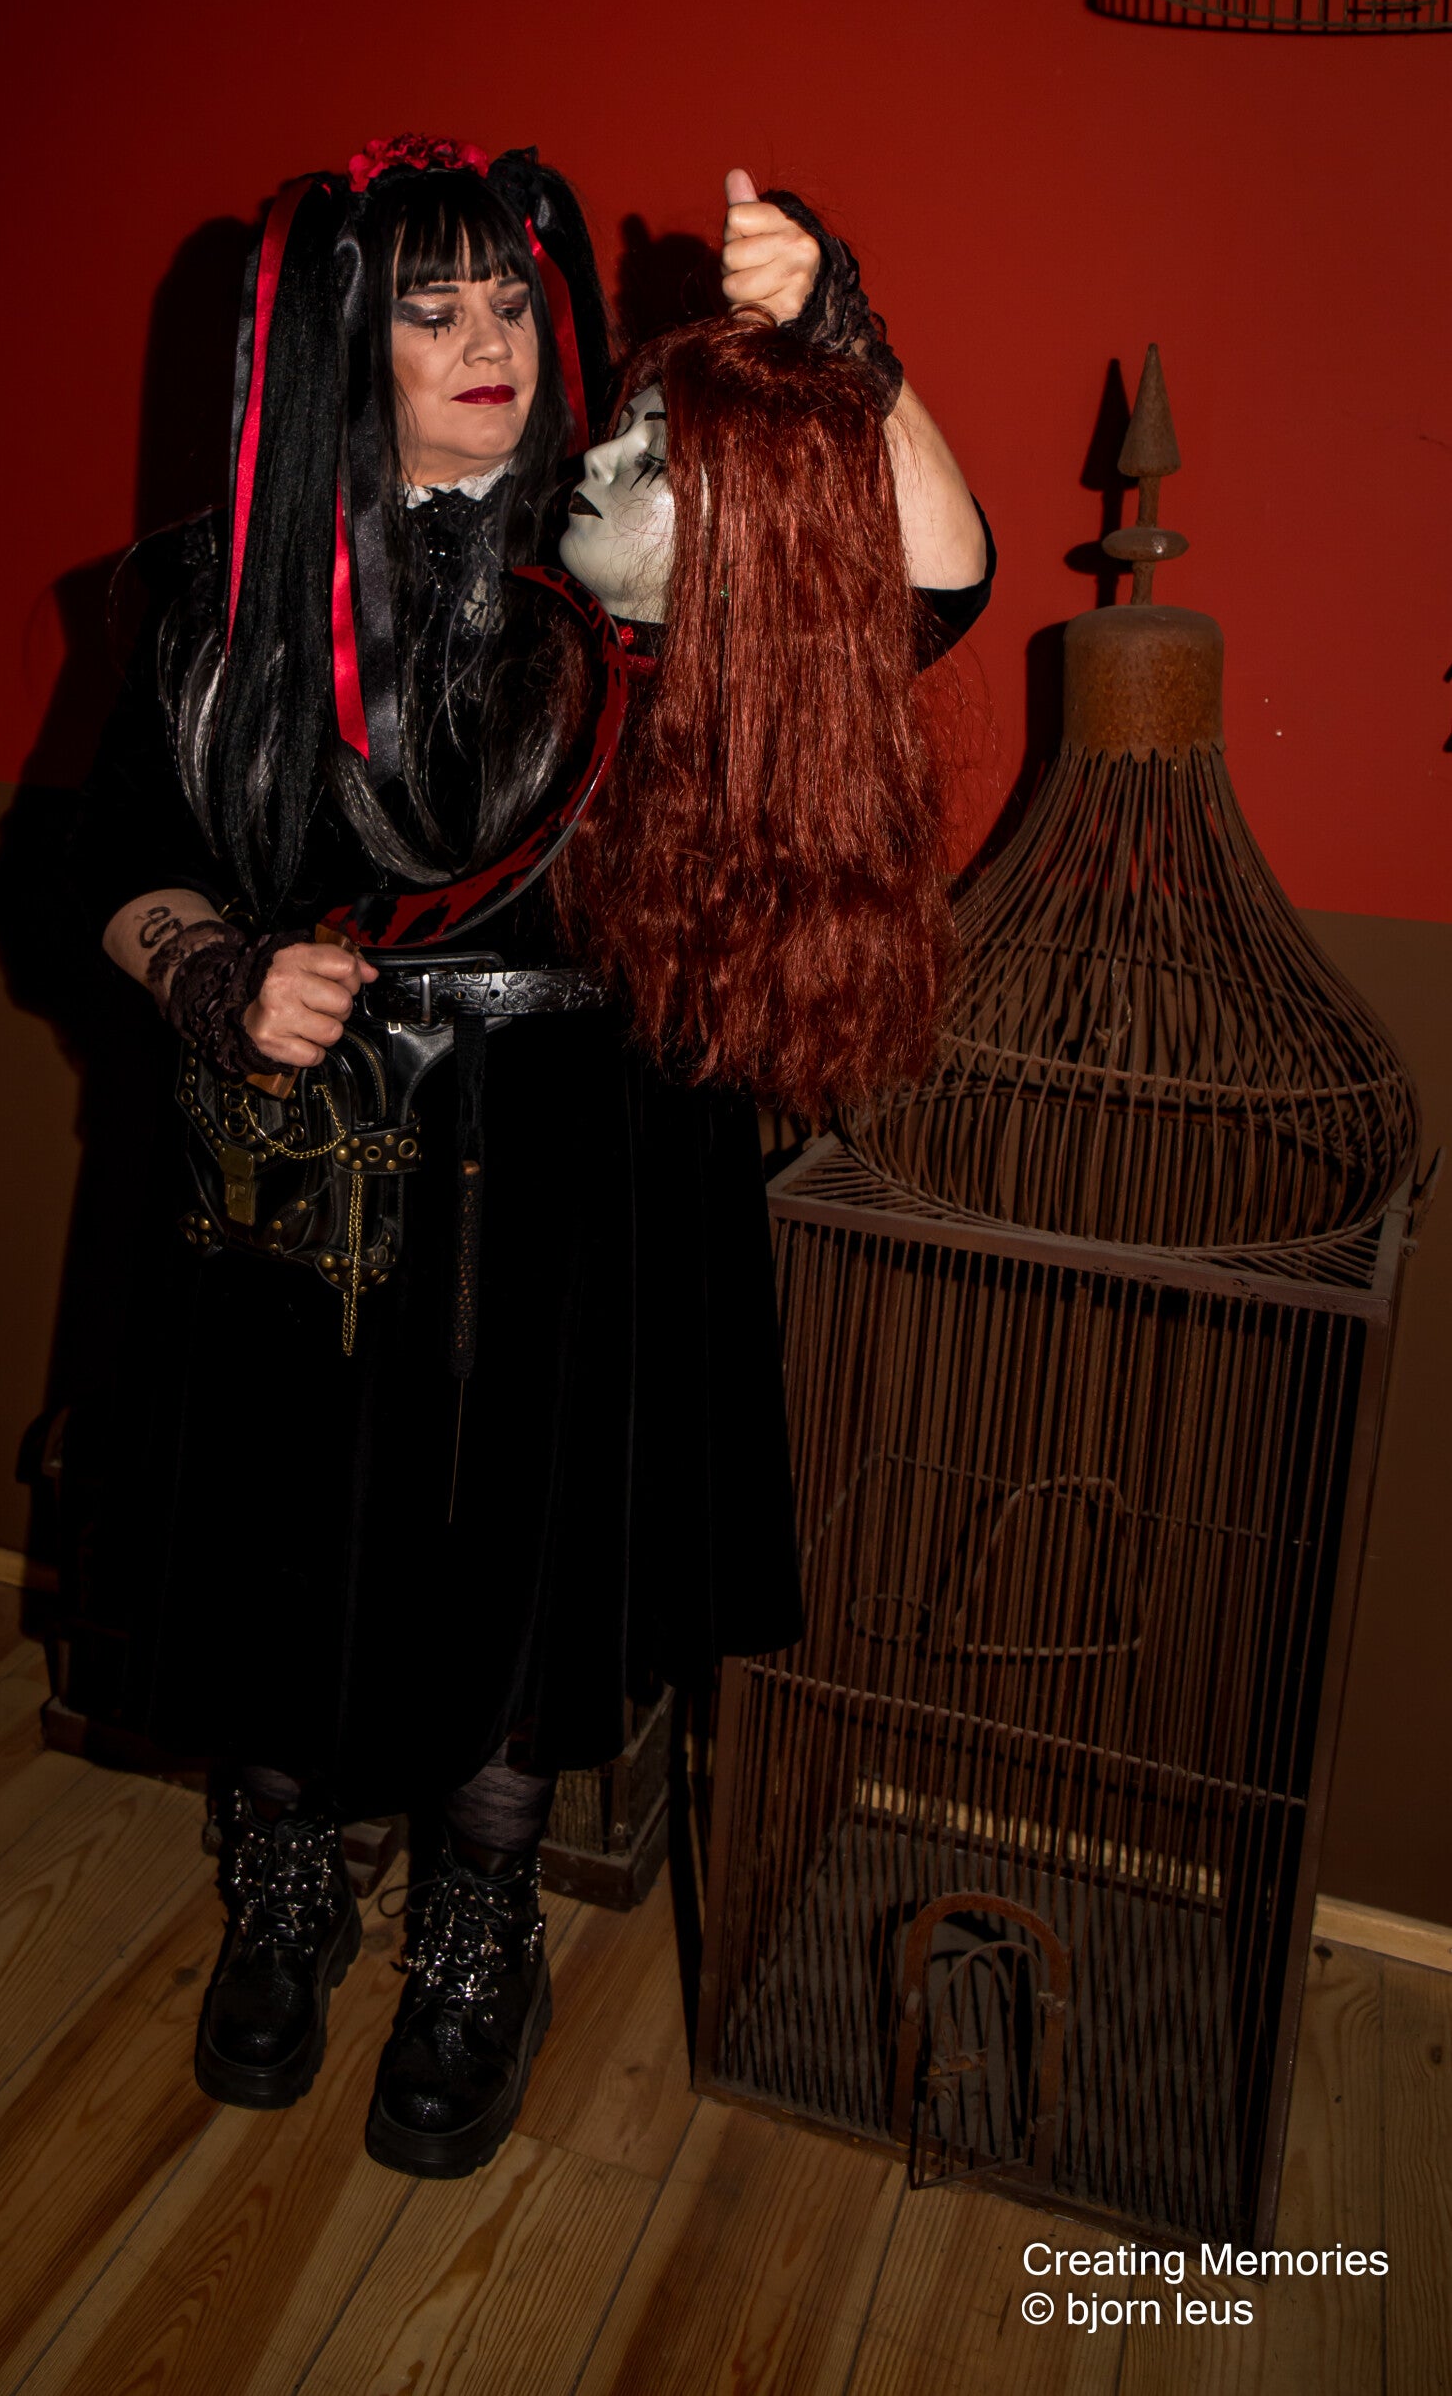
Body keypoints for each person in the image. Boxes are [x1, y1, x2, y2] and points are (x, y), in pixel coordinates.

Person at [69, 140, 992, 2179]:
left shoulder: (632, 535)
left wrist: (847, 341)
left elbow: (935, 583)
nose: (487, 340)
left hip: (582, 1154)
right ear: (344, 342)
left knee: (522, 1561)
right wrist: (211, 970)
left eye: (506, 299)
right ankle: (287, 1887)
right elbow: (92, 864)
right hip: (309, 1157)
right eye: (431, 308)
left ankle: (478, 1934)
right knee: (292, 1536)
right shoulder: (216, 587)